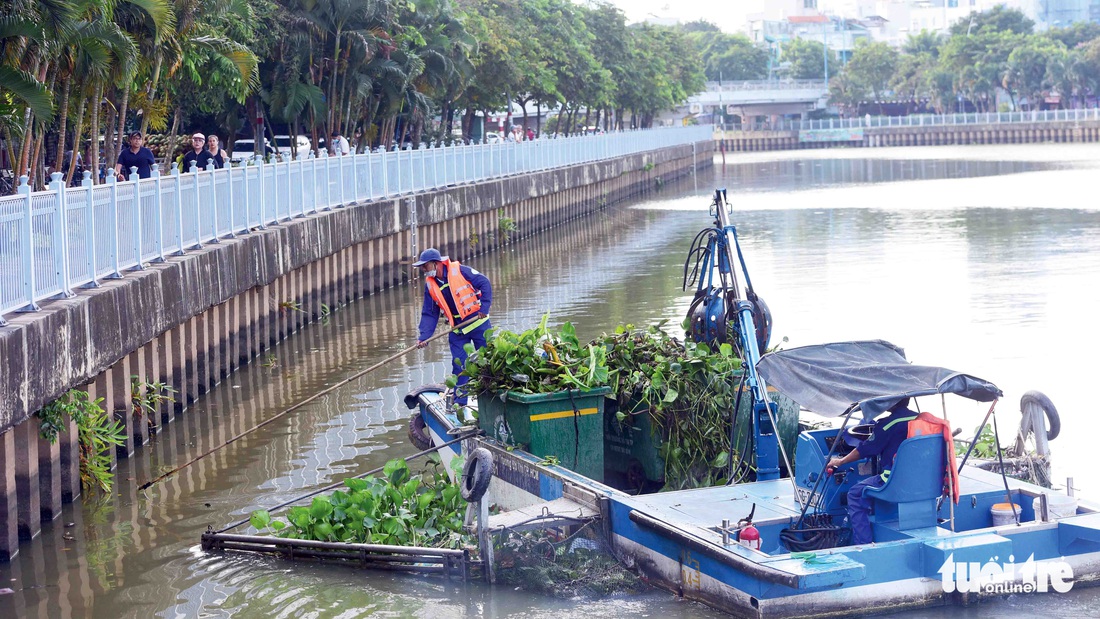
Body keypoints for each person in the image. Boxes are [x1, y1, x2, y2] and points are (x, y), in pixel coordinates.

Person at [827, 398, 919, 545]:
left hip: (894, 481)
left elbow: (866, 449)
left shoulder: (888, 424)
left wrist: (840, 461)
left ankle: (863, 545)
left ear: (892, 401)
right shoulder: (922, 419)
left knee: (855, 494)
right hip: (921, 479)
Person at [413, 248, 492, 407]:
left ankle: (491, 396)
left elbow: (484, 283)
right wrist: (424, 337)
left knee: (488, 361)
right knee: (460, 365)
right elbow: (430, 313)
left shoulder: (461, 271)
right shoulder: (431, 286)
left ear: (436, 264)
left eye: (425, 266)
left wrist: (484, 308)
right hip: (458, 329)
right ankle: (460, 403)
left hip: (478, 323)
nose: (423, 270)